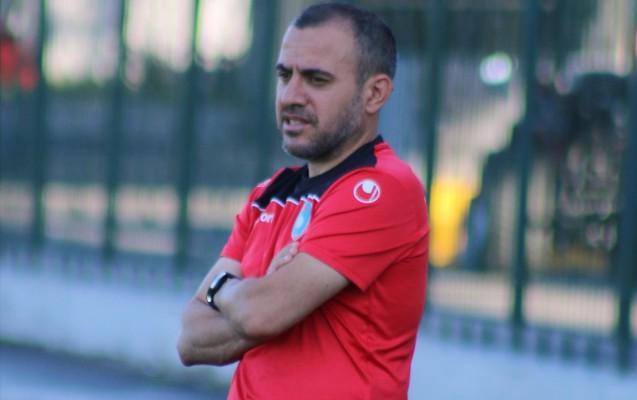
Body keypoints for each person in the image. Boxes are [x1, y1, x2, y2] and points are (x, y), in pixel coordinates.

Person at [177, 3, 429, 399]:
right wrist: (259, 296)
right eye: (284, 75)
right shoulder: (268, 195)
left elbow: (261, 313)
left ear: (374, 94)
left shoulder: (382, 189)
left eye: (316, 79)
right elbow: (190, 339)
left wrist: (225, 290)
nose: (291, 96)